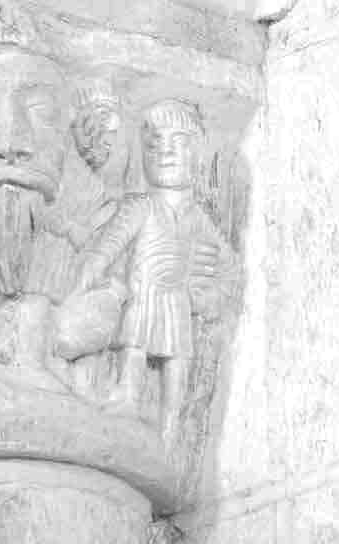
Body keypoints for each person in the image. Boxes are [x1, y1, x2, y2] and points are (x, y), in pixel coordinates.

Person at [62, 100, 230, 428]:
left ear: (198, 154)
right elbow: (109, 244)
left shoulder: (198, 218)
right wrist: (89, 273)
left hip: (177, 300)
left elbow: (226, 264)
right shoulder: (141, 206)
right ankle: (127, 397)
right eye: (154, 145)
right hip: (142, 294)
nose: (165, 152)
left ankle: (171, 423)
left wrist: (214, 290)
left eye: (178, 142)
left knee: (179, 358)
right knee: (134, 346)